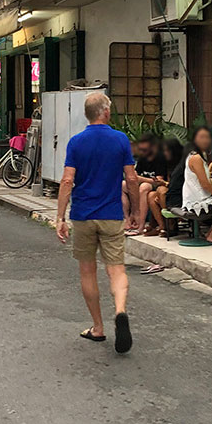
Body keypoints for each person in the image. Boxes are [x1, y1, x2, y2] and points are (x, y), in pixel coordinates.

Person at [55, 92, 142, 354]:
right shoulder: (120, 139)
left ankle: (98, 327)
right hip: (112, 214)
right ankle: (120, 311)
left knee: (87, 271)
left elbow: (68, 181)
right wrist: (136, 210)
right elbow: (132, 178)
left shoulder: (76, 142)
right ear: (105, 111)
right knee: (116, 269)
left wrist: (59, 217)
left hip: (83, 215)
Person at [181, 126, 212, 236]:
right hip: (197, 203)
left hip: (197, 199)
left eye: (207, 137)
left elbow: (201, 182)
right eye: (201, 137)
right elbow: (205, 185)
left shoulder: (196, 156)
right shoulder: (196, 158)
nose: (205, 140)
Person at [129, 134, 168, 236]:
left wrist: (141, 179)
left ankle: (140, 225)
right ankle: (129, 219)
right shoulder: (143, 158)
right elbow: (135, 174)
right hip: (143, 181)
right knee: (123, 185)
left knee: (144, 187)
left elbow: (159, 180)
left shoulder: (160, 158)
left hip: (154, 185)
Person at [146, 138, 185, 237]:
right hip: (169, 191)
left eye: (167, 150)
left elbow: (180, 184)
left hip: (180, 192)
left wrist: (165, 183)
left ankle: (171, 225)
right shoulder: (165, 163)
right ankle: (163, 227)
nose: (165, 153)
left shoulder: (182, 164)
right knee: (151, 195)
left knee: (161, 191)